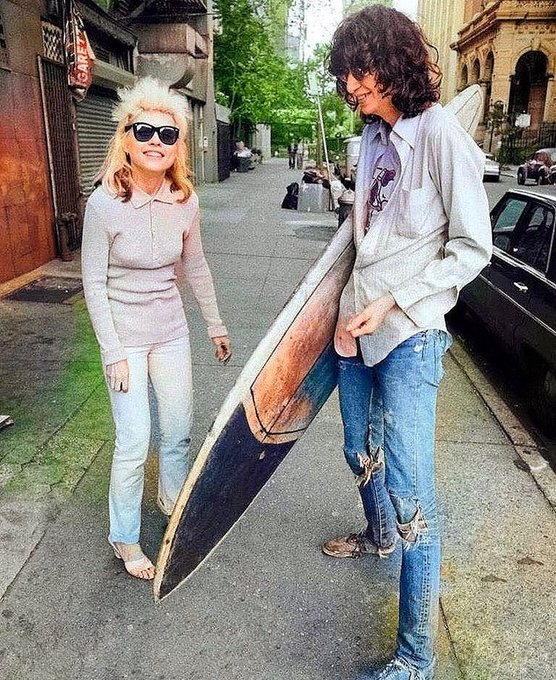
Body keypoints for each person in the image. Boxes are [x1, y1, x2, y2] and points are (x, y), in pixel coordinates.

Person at [324, 6, 492, 679]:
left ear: (390, 62)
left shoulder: (442, 134)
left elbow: (471, 246)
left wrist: (396, 299)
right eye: (344, 79)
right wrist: (338, 308)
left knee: (411, 490)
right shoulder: (370, 139)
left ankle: (416, 659)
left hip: (410, 335)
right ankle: (377, 536)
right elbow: (366, 238)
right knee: (354, 447)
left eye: (357, 74)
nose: (349, 88)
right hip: (354, 325)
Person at [81, 77, 231, 581]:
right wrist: (111, 352)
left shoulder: (185, 200)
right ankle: (124, 537)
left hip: (170, 332)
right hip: (123, 338)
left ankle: (171, 502)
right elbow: (93, 284)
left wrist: (214, 324)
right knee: (133, 439)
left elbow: (199, 266)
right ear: (125, 136)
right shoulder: (103, 204)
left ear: (178, 146)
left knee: (177, 430)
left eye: (167, 135)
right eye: (144, 131)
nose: (154, 143)